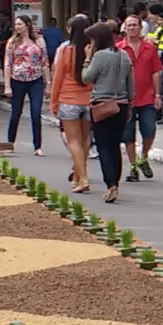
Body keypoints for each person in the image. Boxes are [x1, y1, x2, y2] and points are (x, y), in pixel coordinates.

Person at [82, 22, 134, 204]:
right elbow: (131, 83)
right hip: (121, 104)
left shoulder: (99, 56)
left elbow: (86, 78)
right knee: (114, 145)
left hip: (102, 104)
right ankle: (116, 184)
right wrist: (130, 103)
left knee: (103, 146)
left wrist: (87, 58)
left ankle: (110, 184)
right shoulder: (124, 55)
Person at [51, 13, 95, 192]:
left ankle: (83, 179)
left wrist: (54, 101)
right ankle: (77, 176)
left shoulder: (66, 51)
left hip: (68, 100)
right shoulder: (94, 50)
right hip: (89, 101)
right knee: (85, 141)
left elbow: (58, 78)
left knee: (73, 141)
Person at [119, 14, 161, 178]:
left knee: (149, 130)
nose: (132, 28)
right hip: (126, 98)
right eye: (129, 25)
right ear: (125, 28)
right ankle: (133, 166)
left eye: (135, 25)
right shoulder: (119, 49)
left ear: (140, 27)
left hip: (147, 97)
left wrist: (158, 94)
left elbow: (156, 72)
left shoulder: (149, 48)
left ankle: (143, 157)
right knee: (128, 135)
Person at [5, 14, 48, 154]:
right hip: (17, 79)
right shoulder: (12, 42)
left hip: (36, 79)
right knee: (15, 113)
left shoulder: (39, 41)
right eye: (16, 24)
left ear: (27, 25)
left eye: (20, 24)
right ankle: (10, 142)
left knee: (36, 112)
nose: (17, 27)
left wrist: (48, 83)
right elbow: (8, 64)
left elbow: (45, 62)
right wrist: (7, 85)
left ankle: (38, 146)